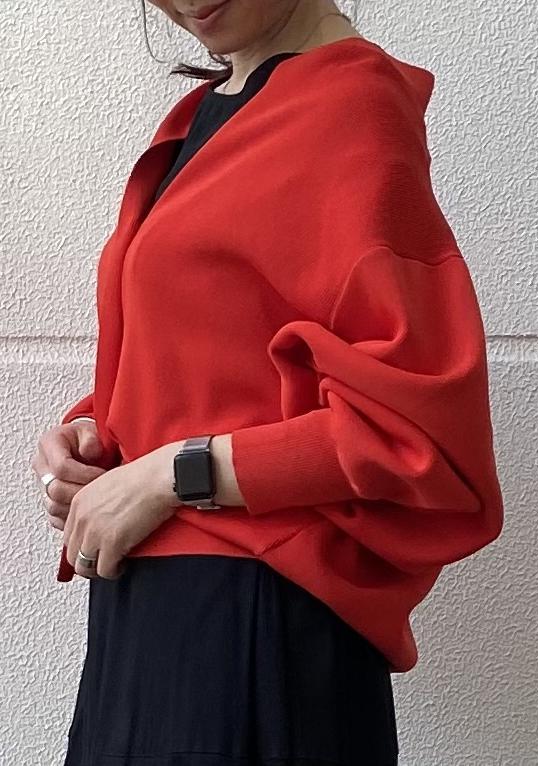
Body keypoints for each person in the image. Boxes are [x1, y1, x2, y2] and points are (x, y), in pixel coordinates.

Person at [32, 1, 504, 764]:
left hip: (247, 621)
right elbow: (221, 351)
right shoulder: (208, 114)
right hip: (151, 613)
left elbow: (416, 432)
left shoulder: (349, 110)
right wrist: (96, 437)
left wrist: (171, 473)